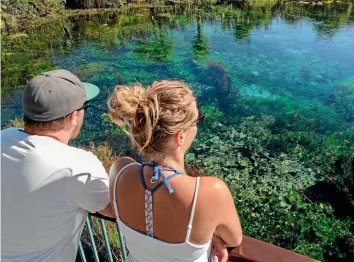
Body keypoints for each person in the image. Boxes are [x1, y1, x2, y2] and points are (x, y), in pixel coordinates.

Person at [107, 80, 243, 262]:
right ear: (180, 136)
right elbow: (234, 239)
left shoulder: (120, 172)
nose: (198, 124)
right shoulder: (210, 192)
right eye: (198, 119)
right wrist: (208, 235)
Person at [1, 69, 114, 262]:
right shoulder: (77, 165)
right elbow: (114, 210)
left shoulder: (4, 137)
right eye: (84, 107)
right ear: (73, 117)